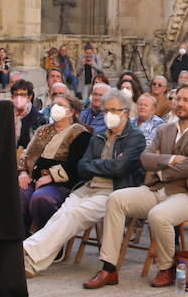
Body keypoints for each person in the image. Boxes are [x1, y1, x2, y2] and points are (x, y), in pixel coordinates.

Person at [84, 84, 188, 288]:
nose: (180, 104)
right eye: (177, 99)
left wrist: (161, 168)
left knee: (159, 215)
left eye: (186, 100)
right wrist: (174, 159)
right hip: (157, 189)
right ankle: (109, 268)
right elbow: (145, 159)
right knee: (116, 199)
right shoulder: (164, 129)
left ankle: (167, 267)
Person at [23, 90, 145, 278]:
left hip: (113, 191)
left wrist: (99, 165)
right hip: (88, 186)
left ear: (126, 112)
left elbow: (121, 169)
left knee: (74, 216)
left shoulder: (135, 137)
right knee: (61, 215)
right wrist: (107, 165)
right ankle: (30, 265)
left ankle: (26, 251)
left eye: (114, 110)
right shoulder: (99, 136)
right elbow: (82, 167)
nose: (109, 114)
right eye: (106, 110)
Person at [18, 94, 90, 233]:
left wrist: (51, 176)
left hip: (61, 184)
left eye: (61, 105)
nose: (55, 107)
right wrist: (23, 172)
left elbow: (76, 165)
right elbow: (27, 153)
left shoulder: (80, 134)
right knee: (20, 194)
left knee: (41, 198)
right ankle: (21, 238)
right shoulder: (43, 130)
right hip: (35, 179)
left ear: (71, 111)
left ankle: (47, 240)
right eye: (54, 104)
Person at [11, 79, 45, 149]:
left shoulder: (38, 118)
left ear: (29, 97)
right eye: (16, 95)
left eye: (22, 95)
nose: (18, 98)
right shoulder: (8, 115)